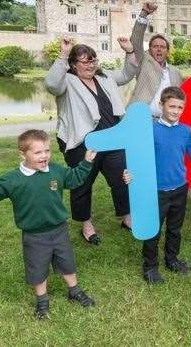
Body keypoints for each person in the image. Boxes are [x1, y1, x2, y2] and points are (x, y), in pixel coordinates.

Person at [0, 130, 96, 320]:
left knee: (67, 261)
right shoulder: (13, 179)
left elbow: (74, 178)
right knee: (37, 267)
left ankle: (74, 290)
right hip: (34, 235)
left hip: (59, 229)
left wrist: (87, 162)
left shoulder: (55, 170)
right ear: (22, 154)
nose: (44, 156)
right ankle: (42, 300)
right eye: (38, 152)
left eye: (47, 151)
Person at [45, 37, 137, 245]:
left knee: (121, 179)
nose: (91, 65)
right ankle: (86, 224)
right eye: (85, 62)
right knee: (82, 184)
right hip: (82, 143)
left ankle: (126, 217)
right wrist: (63, 54)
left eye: (93, 60)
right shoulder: (65, 82)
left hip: (112, 138)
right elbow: (51, 84)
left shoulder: (104, 77)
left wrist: (129, 51)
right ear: (74, 65)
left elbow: (127, 74)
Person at [132, 86, 191, 284]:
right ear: (161, 105)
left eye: (180, 107)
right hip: (157, 191)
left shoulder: (185, 131)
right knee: (153, 229)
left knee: (175, 228)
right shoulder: (150, 130)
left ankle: (172, 260)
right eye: (172, 106)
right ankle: (150, 267)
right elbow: (138, 157)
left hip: (180, 188)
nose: (176, 111)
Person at [128, 2, 184, 118]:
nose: (159, 49)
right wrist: (144, 14)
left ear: (167, 51)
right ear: (149, 50)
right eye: (155, 46)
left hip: (167, 122)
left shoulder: (175, 72)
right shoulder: (143, 63)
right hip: (143, 120)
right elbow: (135, 42)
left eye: (162, 47)